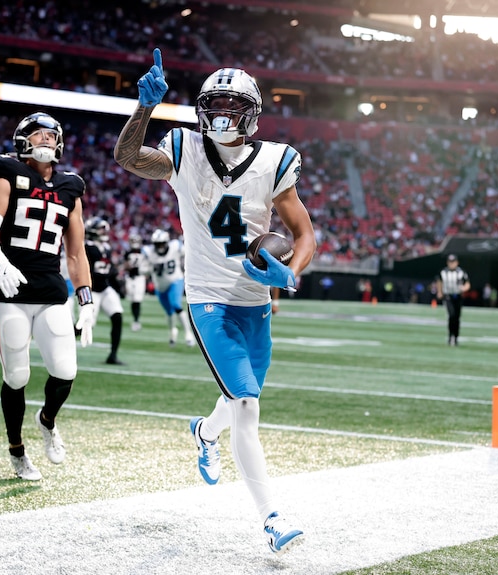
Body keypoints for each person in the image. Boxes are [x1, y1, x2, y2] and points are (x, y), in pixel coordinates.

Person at [114, 49, 316, 554]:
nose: (222, 115)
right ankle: (272, 519)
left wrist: (290, 273)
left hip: (256, 301)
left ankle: (204, 433)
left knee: (236, 399)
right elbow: (128, 158)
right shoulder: (183, 147)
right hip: (209, 299)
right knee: (247, 406)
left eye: (232, 105)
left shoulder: (274, 160)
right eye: (214, 104)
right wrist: (144, 110)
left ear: (251, 112)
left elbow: (304, 233)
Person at [0, 111, 95, 481]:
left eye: (50, 135)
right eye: (38, 134)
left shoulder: (71, 186)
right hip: (7, 290)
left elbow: (75, 252)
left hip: (50, 290)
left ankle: (47, 420)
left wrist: (86, 299)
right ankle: (17, 450)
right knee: (17, 375)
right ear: (23, 140)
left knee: (65, 370)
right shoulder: (6, 172)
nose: (45, 139)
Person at [142, 228, 195, 347]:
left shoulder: (175, 247)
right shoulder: (149, 252)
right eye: (157, 244)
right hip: (160, 287)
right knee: (169, 312)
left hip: (175, 280)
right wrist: (152, 268)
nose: (160, 247)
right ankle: (172, 332)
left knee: (176, 304)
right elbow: (141, 269)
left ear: (166, 242)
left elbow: (190, 253)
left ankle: (188, 334)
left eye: (162, 243)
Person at [84, 216, 125, 365]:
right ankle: (60, 340)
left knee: (117, 317)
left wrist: (118, 287)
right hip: (92, 290)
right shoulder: (86, 246)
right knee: (85, 325)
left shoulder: (106, 247)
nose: (104, 231)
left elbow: (111, 270)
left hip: (105, 288)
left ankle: (113, 355)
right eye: (101, 228)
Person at [436, 253, 470, 346]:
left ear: (457, 262)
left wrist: (464, 288)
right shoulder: (443, 272)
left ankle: (456, 336)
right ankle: (451, 335)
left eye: (453, 262)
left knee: (457, 317)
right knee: (451, 315)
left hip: (458, 296)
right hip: (448, 296)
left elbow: (467, 283)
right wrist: (439, 292)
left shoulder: (461, 272)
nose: (452, 264)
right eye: (450, 262)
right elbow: (439, 281)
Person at [124, 233, 147, 331]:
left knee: (137, 300)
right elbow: (126, 266)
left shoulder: (144, 252)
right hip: (130, 278)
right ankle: (135, 320)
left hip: (139, 278)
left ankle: (136, 320)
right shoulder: (128, 253)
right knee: (133, 300)